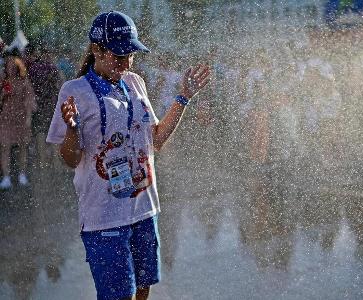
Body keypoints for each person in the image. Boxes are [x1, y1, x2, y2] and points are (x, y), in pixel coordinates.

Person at [46, 11, 210, 300]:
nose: (125, 62)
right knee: (119, 295)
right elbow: (70, 159)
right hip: (103, 219)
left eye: (130, 54)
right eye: (118, 55)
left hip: (144, 210)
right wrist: (72, 130)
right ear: (97, 50)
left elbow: (156, 139)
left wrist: (184, 97)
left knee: (143, 289)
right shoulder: (74, 92)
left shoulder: (135, 82)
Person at [0, 48, 36, 189]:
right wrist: (3, 94)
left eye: (13, 65)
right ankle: (7, 176)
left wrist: (28, 118)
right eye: (8, 65)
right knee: (5, 147)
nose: (10, 68)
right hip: (5, 119)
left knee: (22, 147)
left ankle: (22, 174)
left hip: (20, 118)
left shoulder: (24, 81)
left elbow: (29, 100)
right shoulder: (2, 81)